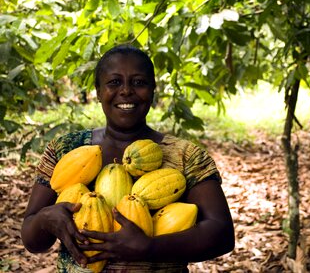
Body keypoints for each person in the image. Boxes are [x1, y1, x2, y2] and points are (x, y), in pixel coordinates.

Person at [21, 45, 235, 272]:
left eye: (139, 82)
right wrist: (45, 219)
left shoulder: (186, 156)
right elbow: (32, 240)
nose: (126, 91)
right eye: (114, 82)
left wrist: (150, 247)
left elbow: (222, 234)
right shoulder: (66, 149)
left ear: (153, 90)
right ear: (98, 90)